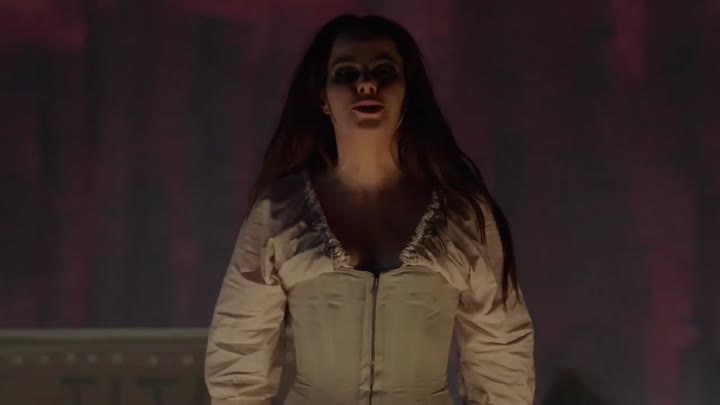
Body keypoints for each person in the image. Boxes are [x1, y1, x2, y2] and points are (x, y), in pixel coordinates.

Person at [205, 14, 535, 405]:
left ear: (406, 93)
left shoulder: (461, 213)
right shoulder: (280, 212)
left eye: (383, 71)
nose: (366, 84)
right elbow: (239, 353)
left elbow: (501, 354)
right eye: (346, 73)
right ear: (323, 97)